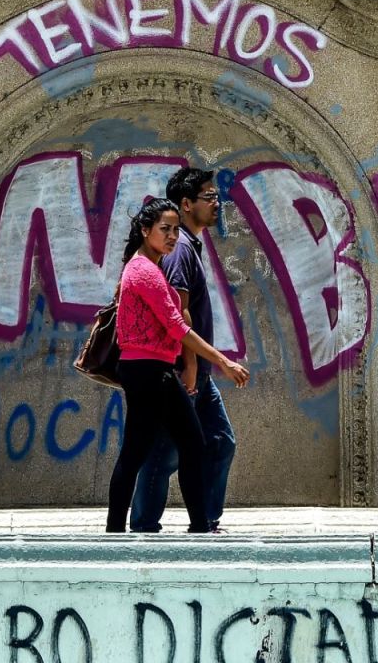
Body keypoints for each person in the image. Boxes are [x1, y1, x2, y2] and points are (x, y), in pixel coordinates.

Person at [107, 198, 249, 533]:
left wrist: (189, 364)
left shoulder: (147, 267)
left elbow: (177, 316)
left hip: (150, 370)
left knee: (157, 448)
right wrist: (223, 361)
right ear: (145, 231)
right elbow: (177, 326)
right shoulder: (143, 270)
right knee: (165, 446)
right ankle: (192, 526)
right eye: (164, 230)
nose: (172, 236)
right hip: (149, 372)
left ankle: (127, 530)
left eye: (175, 230)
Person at [131, 167, 236, 533]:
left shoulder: (190, 246)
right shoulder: (179, 253)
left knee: (220, 441)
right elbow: (177, 314)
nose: (216, 202)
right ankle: (144, 524)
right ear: (187, 204)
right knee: (164, 452)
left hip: (197, 373)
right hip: (183, 371)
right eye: (209, 196)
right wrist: (190, 365)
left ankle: (204, 519)